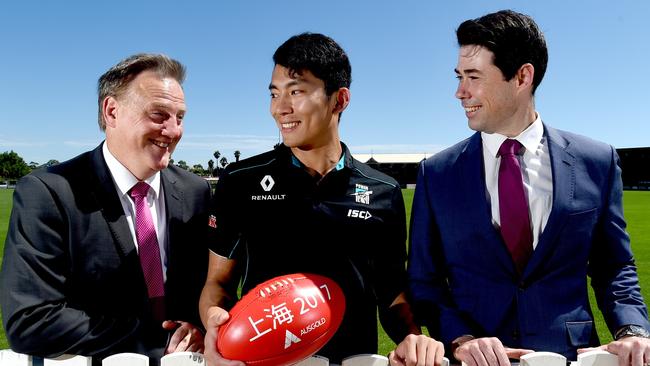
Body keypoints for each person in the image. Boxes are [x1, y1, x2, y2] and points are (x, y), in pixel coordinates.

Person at [407, 9, 650, 366]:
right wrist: (461, 339)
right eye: (459, 76)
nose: (460, 92)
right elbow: (424, 282)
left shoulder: (596, 160)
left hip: (571, 356)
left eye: (473, 76)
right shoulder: (437, 173)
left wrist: (633, 331)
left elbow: (614, 265)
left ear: (522, 76)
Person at [199, 32, 444, 366]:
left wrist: (413, 337)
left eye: (296, 91)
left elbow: (390, 292)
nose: (279, 109)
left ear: (339, 100)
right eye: (274, 94)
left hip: (354, 360)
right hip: (265, 361)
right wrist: (216, 321)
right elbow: (219, 281)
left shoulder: (383, 190)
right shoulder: (239, 181)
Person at [0, 53, 211, 365]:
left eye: (180, 117)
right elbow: (31, 319)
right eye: (159, 115)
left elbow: (206, 289)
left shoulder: (196, 191)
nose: (173, 131)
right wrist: (158, 340)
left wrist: (201, 328)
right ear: (112, 111)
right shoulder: (49, 192)